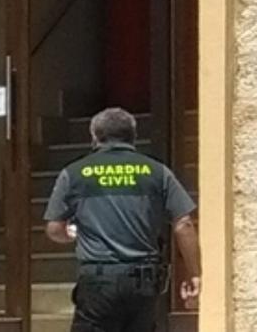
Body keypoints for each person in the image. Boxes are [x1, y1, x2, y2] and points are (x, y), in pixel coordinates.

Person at [44, 107, 200, 332]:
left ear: (94, 137)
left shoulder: (74, 173)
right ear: (133, 136)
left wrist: (71, 234)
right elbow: (183, 224)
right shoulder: (157, 172)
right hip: (143, 281)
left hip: (98, 281)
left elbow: (54, 228)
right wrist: (194, 273)